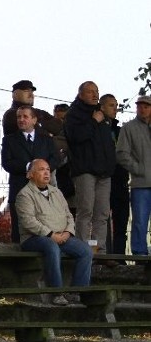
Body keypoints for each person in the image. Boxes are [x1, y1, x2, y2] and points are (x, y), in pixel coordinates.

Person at [15, 159, 92, 306]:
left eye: (48, 169)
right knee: (52, 246)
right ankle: (57, 293)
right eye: (41, 169)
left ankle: (76, 292)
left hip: (62, 235)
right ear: (30, 175)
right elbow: (29, 222)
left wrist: (68, 233)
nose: (46, 173)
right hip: (34, 238)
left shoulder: (56, 192)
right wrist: (51, 235)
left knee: (86, 251)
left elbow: (69, 215)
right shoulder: (24, 195)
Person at [64, 81, 116, 250]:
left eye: (97, 91)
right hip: (85, 170)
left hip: (104, 172)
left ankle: (99, 250)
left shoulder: (101, 115)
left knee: (102, 213)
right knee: (85, 211)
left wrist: (110, 166)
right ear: (80, 94)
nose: (95, 95)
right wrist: (93, 121)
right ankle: (83, 249)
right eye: (90, 92)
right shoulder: (74, 114)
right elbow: (76, 137)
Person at [1, 105, 60, 243]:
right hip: (19, 187)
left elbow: (55, 159)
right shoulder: (9, 140)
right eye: (18, 117)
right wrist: (29, 167)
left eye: (25, 116)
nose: (21, 120)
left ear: (34, 120)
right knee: (19, 227)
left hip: (44, 191)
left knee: (45, 224)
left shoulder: (46, 140)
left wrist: (42, 170)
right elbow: (7, 163)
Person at [116, 95, 151, 257]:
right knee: (139, 222)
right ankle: (140, 255)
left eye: (146, 106)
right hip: (140, 183)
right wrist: (139, 169)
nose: (142, 109)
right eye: (140, 106)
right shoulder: (128, 127)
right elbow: (122, 154)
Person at [101, 94, 128, 257]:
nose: (115, 109)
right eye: (111, 105)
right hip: (103, 179)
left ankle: (120, 256)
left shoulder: (120, 131)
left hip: (120, 180)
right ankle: (102, 255)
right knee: (101, 221)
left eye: (116, 105)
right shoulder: (96, 127)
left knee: (121, 221)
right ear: (102, 107)